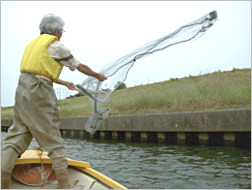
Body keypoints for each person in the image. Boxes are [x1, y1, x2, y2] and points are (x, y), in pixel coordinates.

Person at [1, 13, 107, 189]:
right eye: (62, 31)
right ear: (56, 31)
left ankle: (2, 182)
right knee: (54, 141)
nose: (62, 34)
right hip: (39, 91)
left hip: (22, 90)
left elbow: (38, 70)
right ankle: (64, 187)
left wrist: (64, 83)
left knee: (17, 136)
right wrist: (97, 75)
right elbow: (79, 66)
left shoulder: (31, 46)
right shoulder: (56, 45)